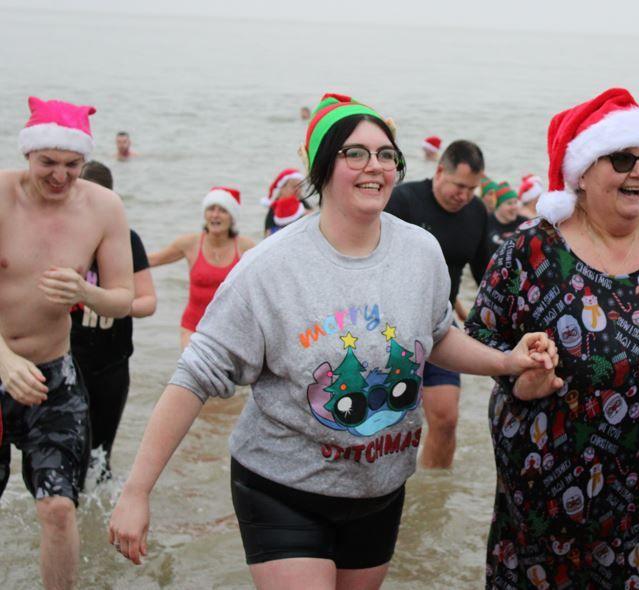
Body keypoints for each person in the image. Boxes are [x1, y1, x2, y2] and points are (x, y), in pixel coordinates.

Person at [108, 93, 560, 590]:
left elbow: (436, 338)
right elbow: (194, 376)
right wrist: (137, 491)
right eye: (356, 153)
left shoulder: (420, 251)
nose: (376, 167)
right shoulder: (269, 269)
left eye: (387, 154)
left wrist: (508, 361)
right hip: (282, 487)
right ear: (324, 168)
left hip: (378, 488)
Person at [467, 87, 639, 589]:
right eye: (621, 158)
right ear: (583, 172)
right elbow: (480, 336)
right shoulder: (531, 249)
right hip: (543, 497)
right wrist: (515, 378)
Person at [0, 97, 134, 590]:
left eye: (72, 165)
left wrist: (85, 292)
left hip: (54, 375)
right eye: (48, 163)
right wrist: (4, 358)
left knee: (59, 507)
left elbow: (123, 298)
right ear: (28, 156)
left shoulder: (103, 207)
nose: (60, 176)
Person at [384, 139, 490, 469]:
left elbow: (487, 275)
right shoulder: (403, 201)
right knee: (383, 426)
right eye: (459, 186)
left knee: (445, 421)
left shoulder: (476, 212)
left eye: (472, 188)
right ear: (440, 171)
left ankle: (433, 498)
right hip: (390, 325)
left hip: (440, 325)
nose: (464, 195)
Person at [72, 161, 157, 480]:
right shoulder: (63, 236)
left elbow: (148, 302)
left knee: (100, 458)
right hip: (67, 361)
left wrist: (109, 301)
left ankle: (100, 522)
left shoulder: (126, 239)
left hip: (112, 363)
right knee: (71, 451)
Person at [147, 186, 255, 349]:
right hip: (193, 328)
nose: (215, 215)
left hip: (231, 330)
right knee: (194, 370)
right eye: (211, 209)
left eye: (223, 210)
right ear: (205, 214)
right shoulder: (190, 243)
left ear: (232, 218)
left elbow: (267, 280)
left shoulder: (245, 247)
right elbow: (151, 261)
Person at [261, 168, 310, 237]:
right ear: (282, 188)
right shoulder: (274, 208)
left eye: (300, 186)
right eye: (294, 186)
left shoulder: (302, 203)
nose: (298, 190)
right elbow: (268, 235)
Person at [485, 182, 528, 258]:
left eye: (515, 202)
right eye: (509, 203)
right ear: (498, 206)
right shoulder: (485, 222)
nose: (514, 207)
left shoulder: (524, 223)